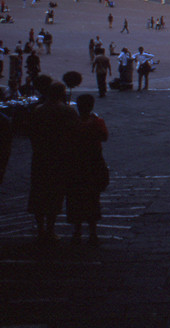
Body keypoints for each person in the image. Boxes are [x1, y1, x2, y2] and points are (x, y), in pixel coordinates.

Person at [28, 81, 79, 243]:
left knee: (39, 191)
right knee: (54, 192)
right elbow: (75, 133)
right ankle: (50, 228)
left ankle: (41, 229)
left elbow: (31, 133)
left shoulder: (38, 110)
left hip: (40, 155)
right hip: (59, 156)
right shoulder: (67, 111)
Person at [66, 94, 109, 246]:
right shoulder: (96, 121)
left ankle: (77, 231)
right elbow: (104, 137)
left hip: (75, 163)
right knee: (92, 197)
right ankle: (92, 232)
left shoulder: (72, 123)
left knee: (76, 197)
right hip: (93, 161)